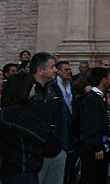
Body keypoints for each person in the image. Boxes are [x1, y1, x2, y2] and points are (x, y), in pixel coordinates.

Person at [0, 73, 50, 184]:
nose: (34, 86)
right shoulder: (13, 112)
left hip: (26, 168)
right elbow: (41, 134)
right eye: (31, 84)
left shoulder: (25, 109)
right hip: (19, 170)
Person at [31, 52, 69, 184]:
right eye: (52, 67)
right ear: (40, 70)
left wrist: (63, 147)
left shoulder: (53, 89)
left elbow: (63, 117)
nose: (55, 70)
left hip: (57, 151)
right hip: (36, 156)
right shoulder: (26, 90)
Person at [75, 67, 110, 184]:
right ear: (104, 80)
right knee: (92, 177)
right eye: (108, 77)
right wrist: (97, 147)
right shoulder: (91, 99)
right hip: (92, 148)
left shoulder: (98, 97)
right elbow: (91, 123)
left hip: (100, 143)